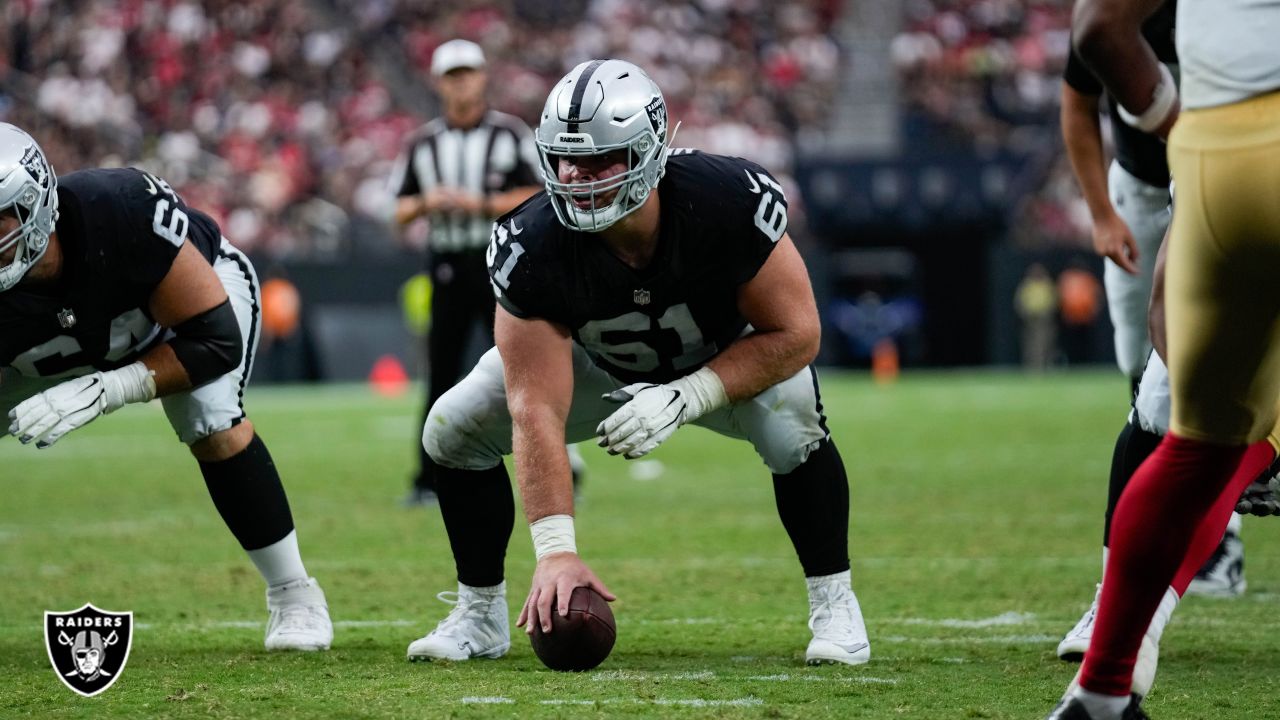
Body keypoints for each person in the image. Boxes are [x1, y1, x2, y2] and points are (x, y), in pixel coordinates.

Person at [407, 59, 870, 666]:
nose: (579, 179)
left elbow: (797, 334)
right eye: (567, 161)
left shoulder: (724, 201)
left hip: (728, 363)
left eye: (600, 161)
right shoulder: (534, 241)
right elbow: (535, 407)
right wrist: (555, 551)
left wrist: (690, 395)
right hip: (601, 367)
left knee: (796, 425)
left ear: (649, 151)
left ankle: (835, 603)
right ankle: (481, 613)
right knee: (453, 426)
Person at [0, 123, 332, 652]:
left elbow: (215, 338)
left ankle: (295, 595)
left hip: (185, 317)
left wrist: (111, 389)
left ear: (35, 205)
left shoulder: (119, 208)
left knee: (209, 417)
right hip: (56, 346)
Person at [1049, 0, 1280, 717]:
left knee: (1187, 434)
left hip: (1219, 163)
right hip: (1205, 160)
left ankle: (1103, 689)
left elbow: (1097, 28)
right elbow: (1085, 74)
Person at [388, 39, 552, 507]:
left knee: (525, 368)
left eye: (467, 73)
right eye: (452, 75)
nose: (461, 83)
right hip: (447, 265)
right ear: (440, 84)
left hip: (502, 260)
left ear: (482, 77)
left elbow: (537, 194)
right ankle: (427, 479)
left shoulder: (510, 133)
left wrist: (476, 203)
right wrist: (426, 203)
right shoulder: (423, 143)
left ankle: (550, 469)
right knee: (440, 372)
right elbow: (396, 210)